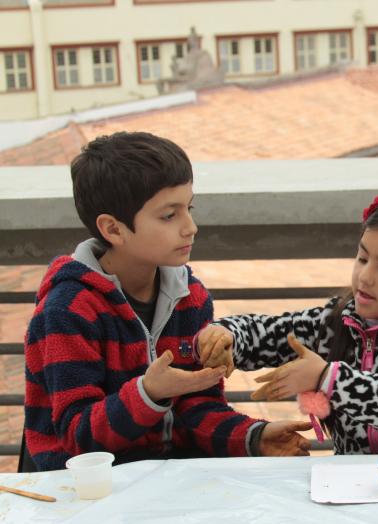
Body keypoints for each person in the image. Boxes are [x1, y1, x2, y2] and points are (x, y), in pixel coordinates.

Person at [24, 131, 311, 471]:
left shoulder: (189, 297)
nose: (191, 227)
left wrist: (253, 437)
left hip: (166, 480)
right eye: (168, 216)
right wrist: (148, 394)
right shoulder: (67, 310)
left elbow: (196, 409)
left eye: (189, 208)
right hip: (86, 492)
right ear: (114, 230)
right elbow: (77, 436)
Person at [197, 192, 378, 454]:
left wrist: (327, 379)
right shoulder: (335, 323)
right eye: (362, 258)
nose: (365, 276)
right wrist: (227, 336)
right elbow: (266, 334)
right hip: (355, 483)